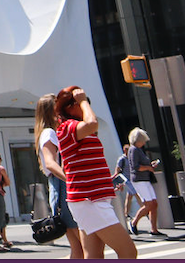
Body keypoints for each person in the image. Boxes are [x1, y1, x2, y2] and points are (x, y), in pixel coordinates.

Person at [52, 86, 135, 259]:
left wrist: (104, 181)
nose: (86, 105)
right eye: (81, 103)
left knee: (94, 256)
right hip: (89, 199)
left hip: (89, 198)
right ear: (69, 107)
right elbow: (92, 123)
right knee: (128, 252)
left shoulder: (76, 129)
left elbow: (78, 164)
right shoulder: (67, 127)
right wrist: (83, 100)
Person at [36, 92, 85, 259]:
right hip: (63, 187)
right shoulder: (49, 133)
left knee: (78, 247)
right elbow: (50, 163)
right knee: (84, 244)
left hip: (60, 186)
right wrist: (70, 179)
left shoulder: (47, 133)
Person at [126, 128, 162, 236]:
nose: (144, 143)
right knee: (149, 204)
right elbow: (135, 167)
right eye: (143, 140)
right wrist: (148, 167)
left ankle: (154, 229)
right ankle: (134, 222)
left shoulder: (137, 149)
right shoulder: (134, 150)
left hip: (144, 179)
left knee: (153, 204)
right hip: (139, 180)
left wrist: (149, 166)